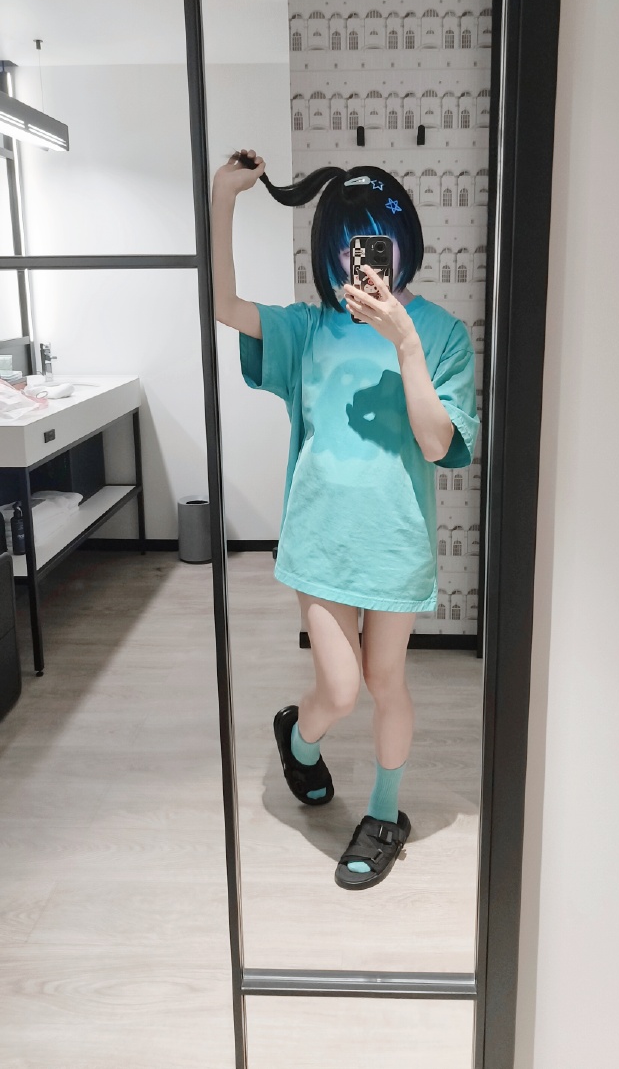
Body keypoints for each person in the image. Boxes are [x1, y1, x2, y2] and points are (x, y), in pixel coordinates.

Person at [211, 148, 480, 890]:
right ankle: (300, 742)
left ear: (402, 243)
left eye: (373, 244)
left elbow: (438, 443)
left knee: (386, 680)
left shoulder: (441, 334)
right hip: (321, 540)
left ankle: (385, 815)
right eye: (346, 245)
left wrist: (405, 340)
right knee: (338, 689)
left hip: (395, 544)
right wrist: (224, 199)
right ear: (328, 249)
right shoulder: (306, 328)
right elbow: (224, 306)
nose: (359, 261)